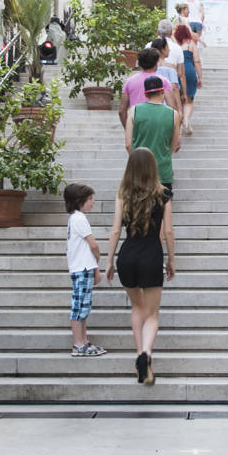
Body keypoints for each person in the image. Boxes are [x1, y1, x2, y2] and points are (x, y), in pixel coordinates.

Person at [105, 148, 175, 386]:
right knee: (152, 314)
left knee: (137, 306)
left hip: (127, 256)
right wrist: (171, 260)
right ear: (153, 167)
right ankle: (146, 353)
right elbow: (168, 231)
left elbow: (115, 230)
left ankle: (139, 356)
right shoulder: (163, 194)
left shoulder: (123, 194)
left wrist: (109, 261)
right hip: (151, 256)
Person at [64, 183, 106, 357]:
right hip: (82, 268)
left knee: (83, 306)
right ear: (79, 200)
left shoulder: (76, 218)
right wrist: (98, 257)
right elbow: (93, 245)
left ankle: (83, 341)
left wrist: (95, 269)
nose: (92, 202)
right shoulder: (79, 218)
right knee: (79, 306)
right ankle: (78, 344)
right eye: (89, 199)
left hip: (83, 267)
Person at [124, 75, 181, 199]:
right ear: (162, 92)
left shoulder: (134, 111)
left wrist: (137, 159)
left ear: (145, 94)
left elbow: (128, 144)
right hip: (163, 171)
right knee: (163, 207)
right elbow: (173, 145)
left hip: (139, 171)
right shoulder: (173, 114)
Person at [118, 48, 171, 128]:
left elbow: (122, 110)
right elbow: (171, 107)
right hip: (157, 125)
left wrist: (128, 129)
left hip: (137, 124)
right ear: (156, 62)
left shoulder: (129, 82)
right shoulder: (163, 81)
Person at [173, 23, 202, 136]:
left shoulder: (174, 44)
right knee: (189, 100)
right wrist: (200, 77)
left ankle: (180, 125)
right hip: (189, 71)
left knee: (178, 99)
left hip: (176, 72)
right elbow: (197, 61)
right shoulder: (191, 44)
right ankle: (186, 120)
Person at [151, 37, 182, 117]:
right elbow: (174, 88)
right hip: (167, 106)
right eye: (167, 48)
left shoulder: (150, 68)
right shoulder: (171, 68)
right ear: (162, 49)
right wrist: (179, 109)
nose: (169, 50)